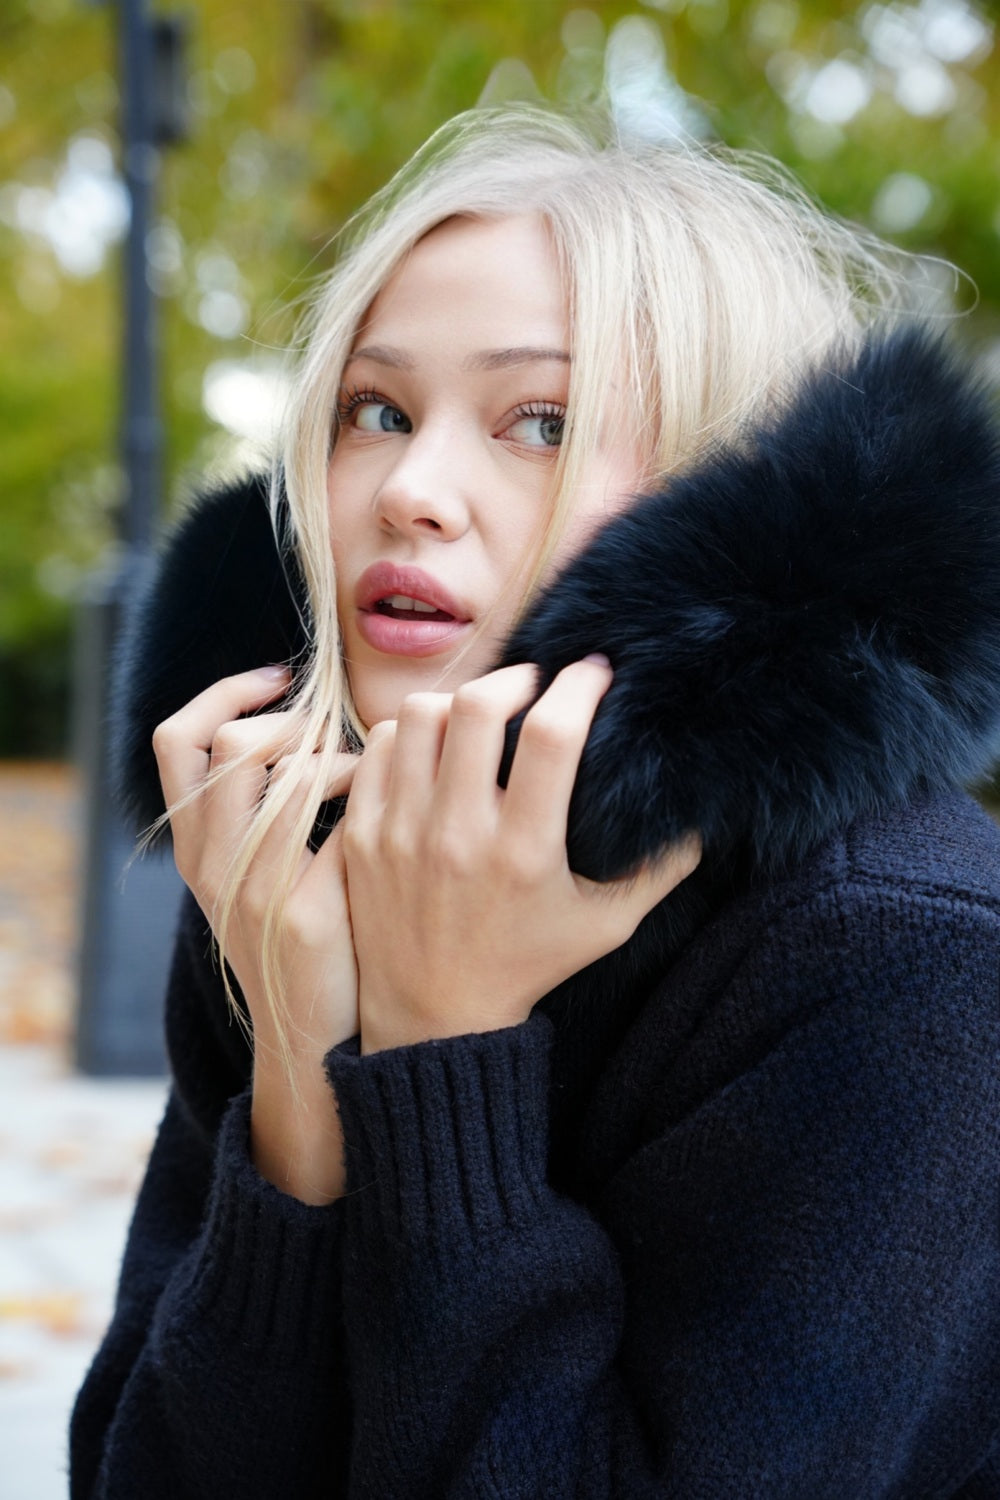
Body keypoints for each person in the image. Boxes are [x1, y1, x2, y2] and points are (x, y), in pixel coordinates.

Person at [70, 105, 1000, 1497]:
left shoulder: (900, 950)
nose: (410, 492)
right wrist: (298, 1089)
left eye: (539, 422)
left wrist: (447, 1047)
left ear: (732, 507)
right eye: (374, 411)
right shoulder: (294, 861)